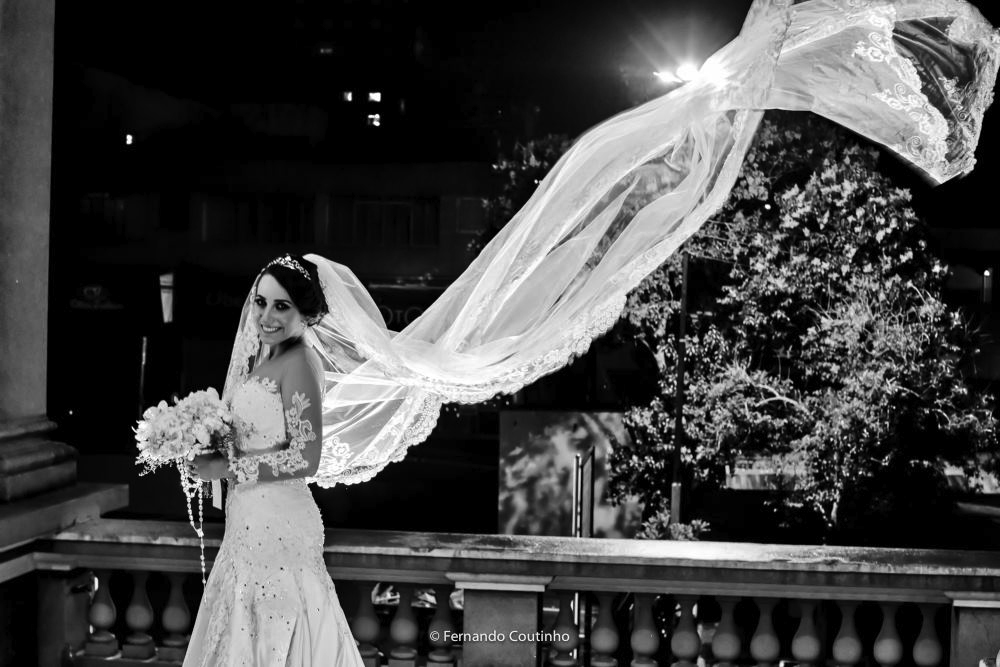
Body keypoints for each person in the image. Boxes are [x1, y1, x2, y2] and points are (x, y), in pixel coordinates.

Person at [184, 254, 365, 666]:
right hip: (247, 522)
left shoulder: (300, 363)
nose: (267, 315)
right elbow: (257, 437)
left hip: (280, 526)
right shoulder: (266, 361)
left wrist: (227, 468)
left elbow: (306, 457)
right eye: (261, 302)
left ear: (307, 314)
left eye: (282, 306)